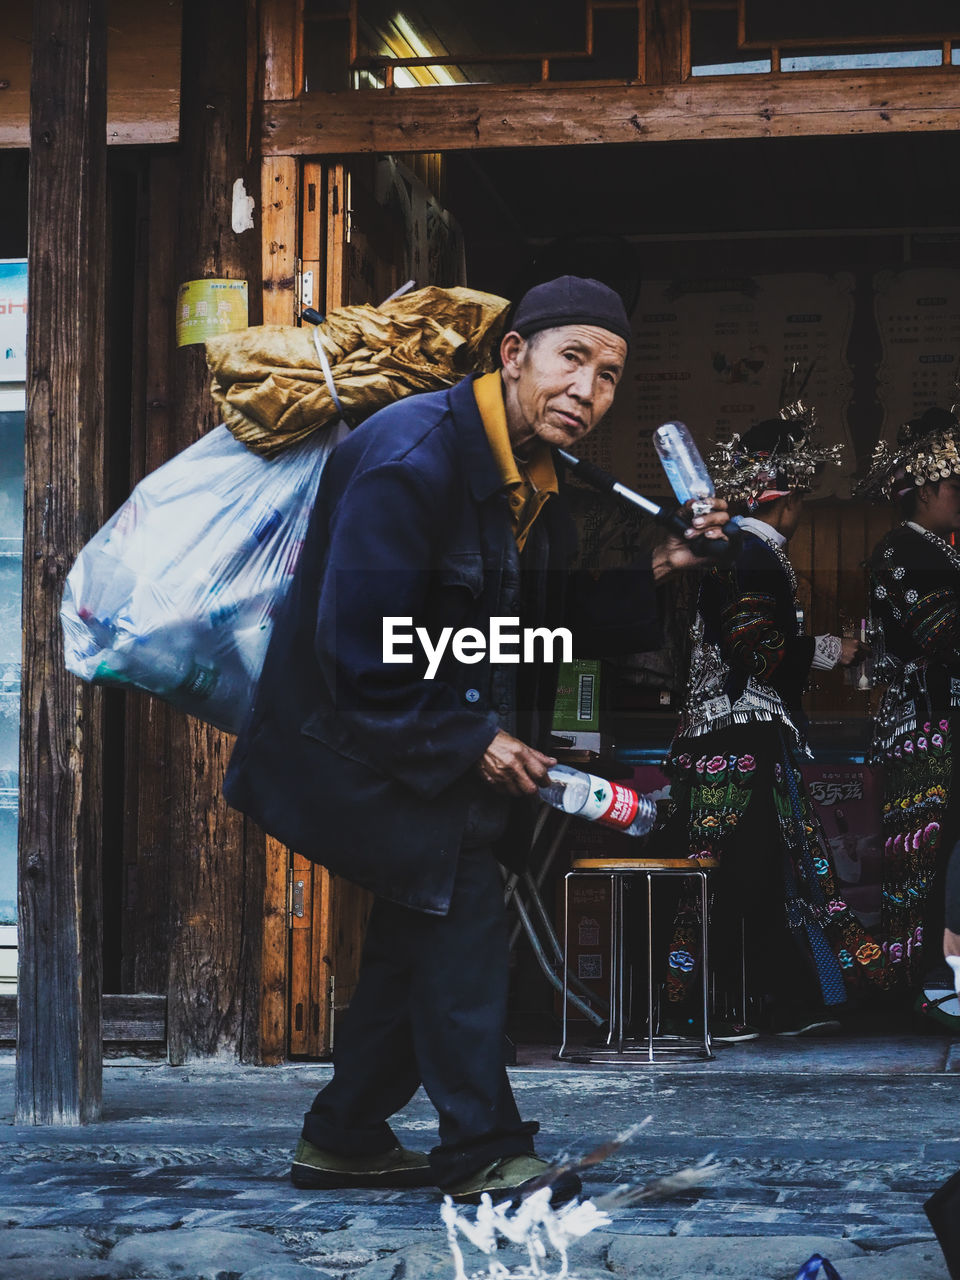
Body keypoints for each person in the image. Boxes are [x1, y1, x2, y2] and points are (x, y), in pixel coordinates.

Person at [223, 276, 733, 1204]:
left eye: (611, 375)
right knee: (463, 915)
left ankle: (342, 1137)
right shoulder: (409, 461)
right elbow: (360, 645)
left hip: (426, 739)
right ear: (513, 354)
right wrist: (470, 740)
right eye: (572, 358)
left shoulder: (535, 476)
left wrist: (659, 569)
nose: (589, 390)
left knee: (418, 933)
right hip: (355, 742)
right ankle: (484, 1153)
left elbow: (528, 621)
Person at [659, 407, 884, 1043]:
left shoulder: (738, 550)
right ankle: (733, 1005)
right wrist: (828, 650)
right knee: (738, 871)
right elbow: (756, 646)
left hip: (728, 735)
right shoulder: (751, 553)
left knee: (739, 870)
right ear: (785, 502)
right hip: (738, 734)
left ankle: (742, 1003)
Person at [857, 405, 960, 1032]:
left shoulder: (935, 552)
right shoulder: (902, 548)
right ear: (925, 490)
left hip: (940, 724)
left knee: (942, 851)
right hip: (924, 727)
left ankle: (935, 979)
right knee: (925, 854)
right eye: (954, 486)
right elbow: (942, 631)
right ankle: (921, 985)